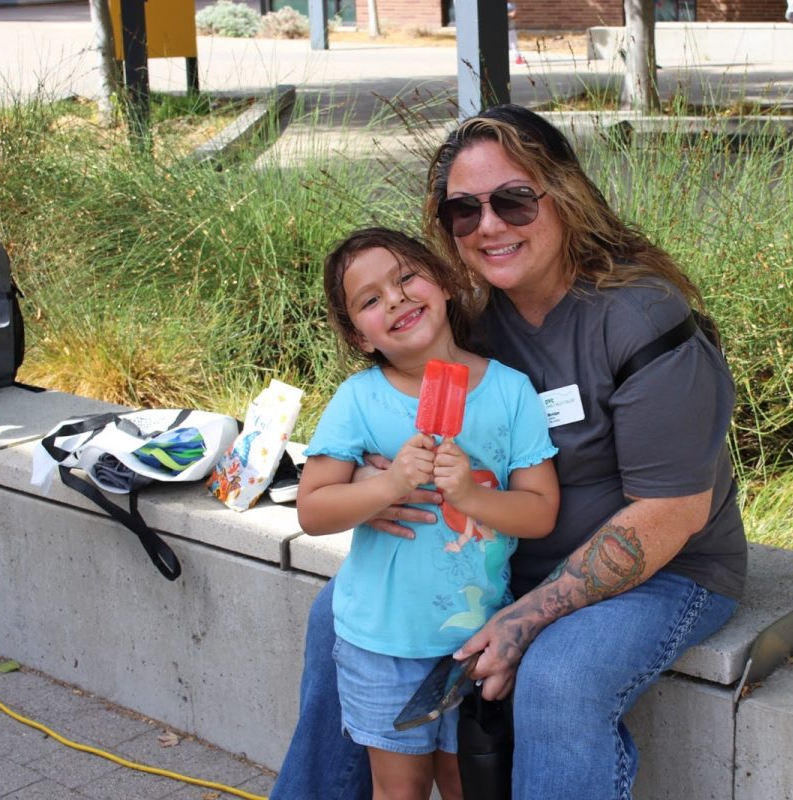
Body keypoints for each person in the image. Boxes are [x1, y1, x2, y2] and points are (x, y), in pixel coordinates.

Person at [272, 105, 748, 800]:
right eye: (464, 212)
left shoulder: (645, 321)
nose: (489, 225)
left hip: (667, 569)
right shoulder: (474, 322)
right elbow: (399, 419)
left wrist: (526, 618)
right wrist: (379, 486)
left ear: (564, 195)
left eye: (514, 199)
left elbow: (671, 513)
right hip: (504, 548)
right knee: (336, 614)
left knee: (559, 673)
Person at [296, 227, 560, 800]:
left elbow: (540, 513)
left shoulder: (512, 393)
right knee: (399, 791)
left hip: (474, 638)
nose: (393, 299)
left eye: (405, 278)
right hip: (380, 639)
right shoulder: (359, 400)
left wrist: (470, 495)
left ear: (443, 282)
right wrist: (388, 483)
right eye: (369, 300)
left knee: (469, 784)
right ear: (358, 335)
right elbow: (313, 510)